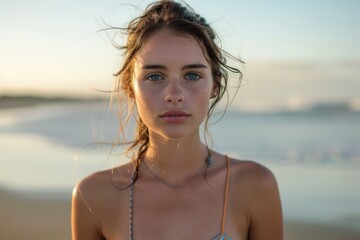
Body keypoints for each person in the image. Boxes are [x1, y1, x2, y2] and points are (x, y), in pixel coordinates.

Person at [71, 1, 283, 239]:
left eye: (192, 75)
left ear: (215, 85)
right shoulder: (94, 195)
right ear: (129, 88)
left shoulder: (254, 186)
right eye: (154, 76)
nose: (174, 95)